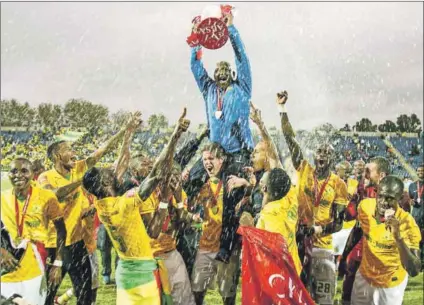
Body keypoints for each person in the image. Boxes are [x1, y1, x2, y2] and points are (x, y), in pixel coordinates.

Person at [82, 108, 190, 305]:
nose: (112, 169)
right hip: (141, 275)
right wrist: (175, 135)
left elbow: (122, 163)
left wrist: (129, 131)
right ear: (106, 184)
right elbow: (157, 171)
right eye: (107, 172)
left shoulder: (102, 203)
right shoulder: (125, 204)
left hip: (125, 271)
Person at [39, 116, 138, 305]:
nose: (74, 153)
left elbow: (102, 150)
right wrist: (82, 181)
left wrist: (125, 129)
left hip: (78, 243)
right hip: (55, 244)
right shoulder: (45, 177)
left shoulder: (78, 167)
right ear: (57, 156)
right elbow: (54, 195)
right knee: (47, 294)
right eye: (69, 149)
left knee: (85, 293)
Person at [190, 12, 253, 263]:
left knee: (229, 198)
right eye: (218, 69)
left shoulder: (243, 87)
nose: (222, 72)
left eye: (226, 69)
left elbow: (242, 58)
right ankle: (187, 229)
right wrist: (196, 38)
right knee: (188, 180)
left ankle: (227, 246)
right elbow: (196, 67)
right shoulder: (208, 89)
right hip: (214, 152)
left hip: (237, 153)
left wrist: (232, 30)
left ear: (233, 74)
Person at [277, 90, 349, 304]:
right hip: (298, 243)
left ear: (332, 158)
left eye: (326, 153)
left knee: (323, 298)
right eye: (319, 152)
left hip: (322, 247)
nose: (321, 156)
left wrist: (317, 229)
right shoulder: (304, 169)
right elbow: (290, 138)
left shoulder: (339, 184)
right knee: (298, 295)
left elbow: (338, 223)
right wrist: (282, 109)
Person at [1, 158, 66, 305]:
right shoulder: (2, 198)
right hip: (6, 268)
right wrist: (1, 251)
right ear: (8, 175)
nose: (18, 175)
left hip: (34, 267)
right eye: (14, 171)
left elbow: (61, 230)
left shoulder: (47, 197)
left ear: (32, 174)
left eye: (24, 171)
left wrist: (58, 263)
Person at [351, 176, 421, 305]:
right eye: (381, 196)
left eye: (390, 198)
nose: (383, 202)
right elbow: (357, 232)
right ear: (376, 192)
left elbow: (414, 270)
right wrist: (347, 258)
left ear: (399, 199)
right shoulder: (365, 206)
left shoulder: (407, 223)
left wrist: (398, 238)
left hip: (390, 284)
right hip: (364, 277)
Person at [191, 143, 241, 305]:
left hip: (226, 248)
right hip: (205, 246)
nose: (207, 163)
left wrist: (246, 185)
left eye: (211, 158)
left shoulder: (233, 182)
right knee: (197, 292)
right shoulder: (202, 185)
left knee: (227, 296)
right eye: (204, 159)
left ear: (222, 160)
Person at [138, 162, 195, 305]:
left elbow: (182, 225)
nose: (173, 182)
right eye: (169, 177)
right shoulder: (147, 195)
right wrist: (165, 200)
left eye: (176, 178)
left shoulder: (180, 193)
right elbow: (154, 232)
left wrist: (180, 202)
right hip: (150, 257)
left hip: (171, 251)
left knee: (183, 298)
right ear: (160, 177)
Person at [339, 156, 391, 305]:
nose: (364, 174)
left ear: (381, 175)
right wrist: (351, 198)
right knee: (351, 270)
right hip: (362, 241)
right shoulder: (363, 189)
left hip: (381, 250)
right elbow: (350, 217)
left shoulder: (393, 196)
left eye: (369, 171)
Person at [239, 167, 302, 276]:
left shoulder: (270, 213)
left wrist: (248, 229)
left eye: (263, 178)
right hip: (294, 269)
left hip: (278, 274)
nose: (261, 179)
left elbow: (273, 248)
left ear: (264, 187)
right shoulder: (291, 201)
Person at [333, 161, 359, 259]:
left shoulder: (354, 184)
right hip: (335, 222)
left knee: (344, 253)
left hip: (348, 224)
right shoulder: (332, 182)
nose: (347, 173)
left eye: (348, 171)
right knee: (334, 252)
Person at [408, 163, 424, 270]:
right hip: (416, 216)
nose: (420, 173)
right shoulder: (412, 185)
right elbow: (409, 199)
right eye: (419, 171)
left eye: (422, 171)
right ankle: (418, 264)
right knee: (416, 240)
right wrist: (411, 202)